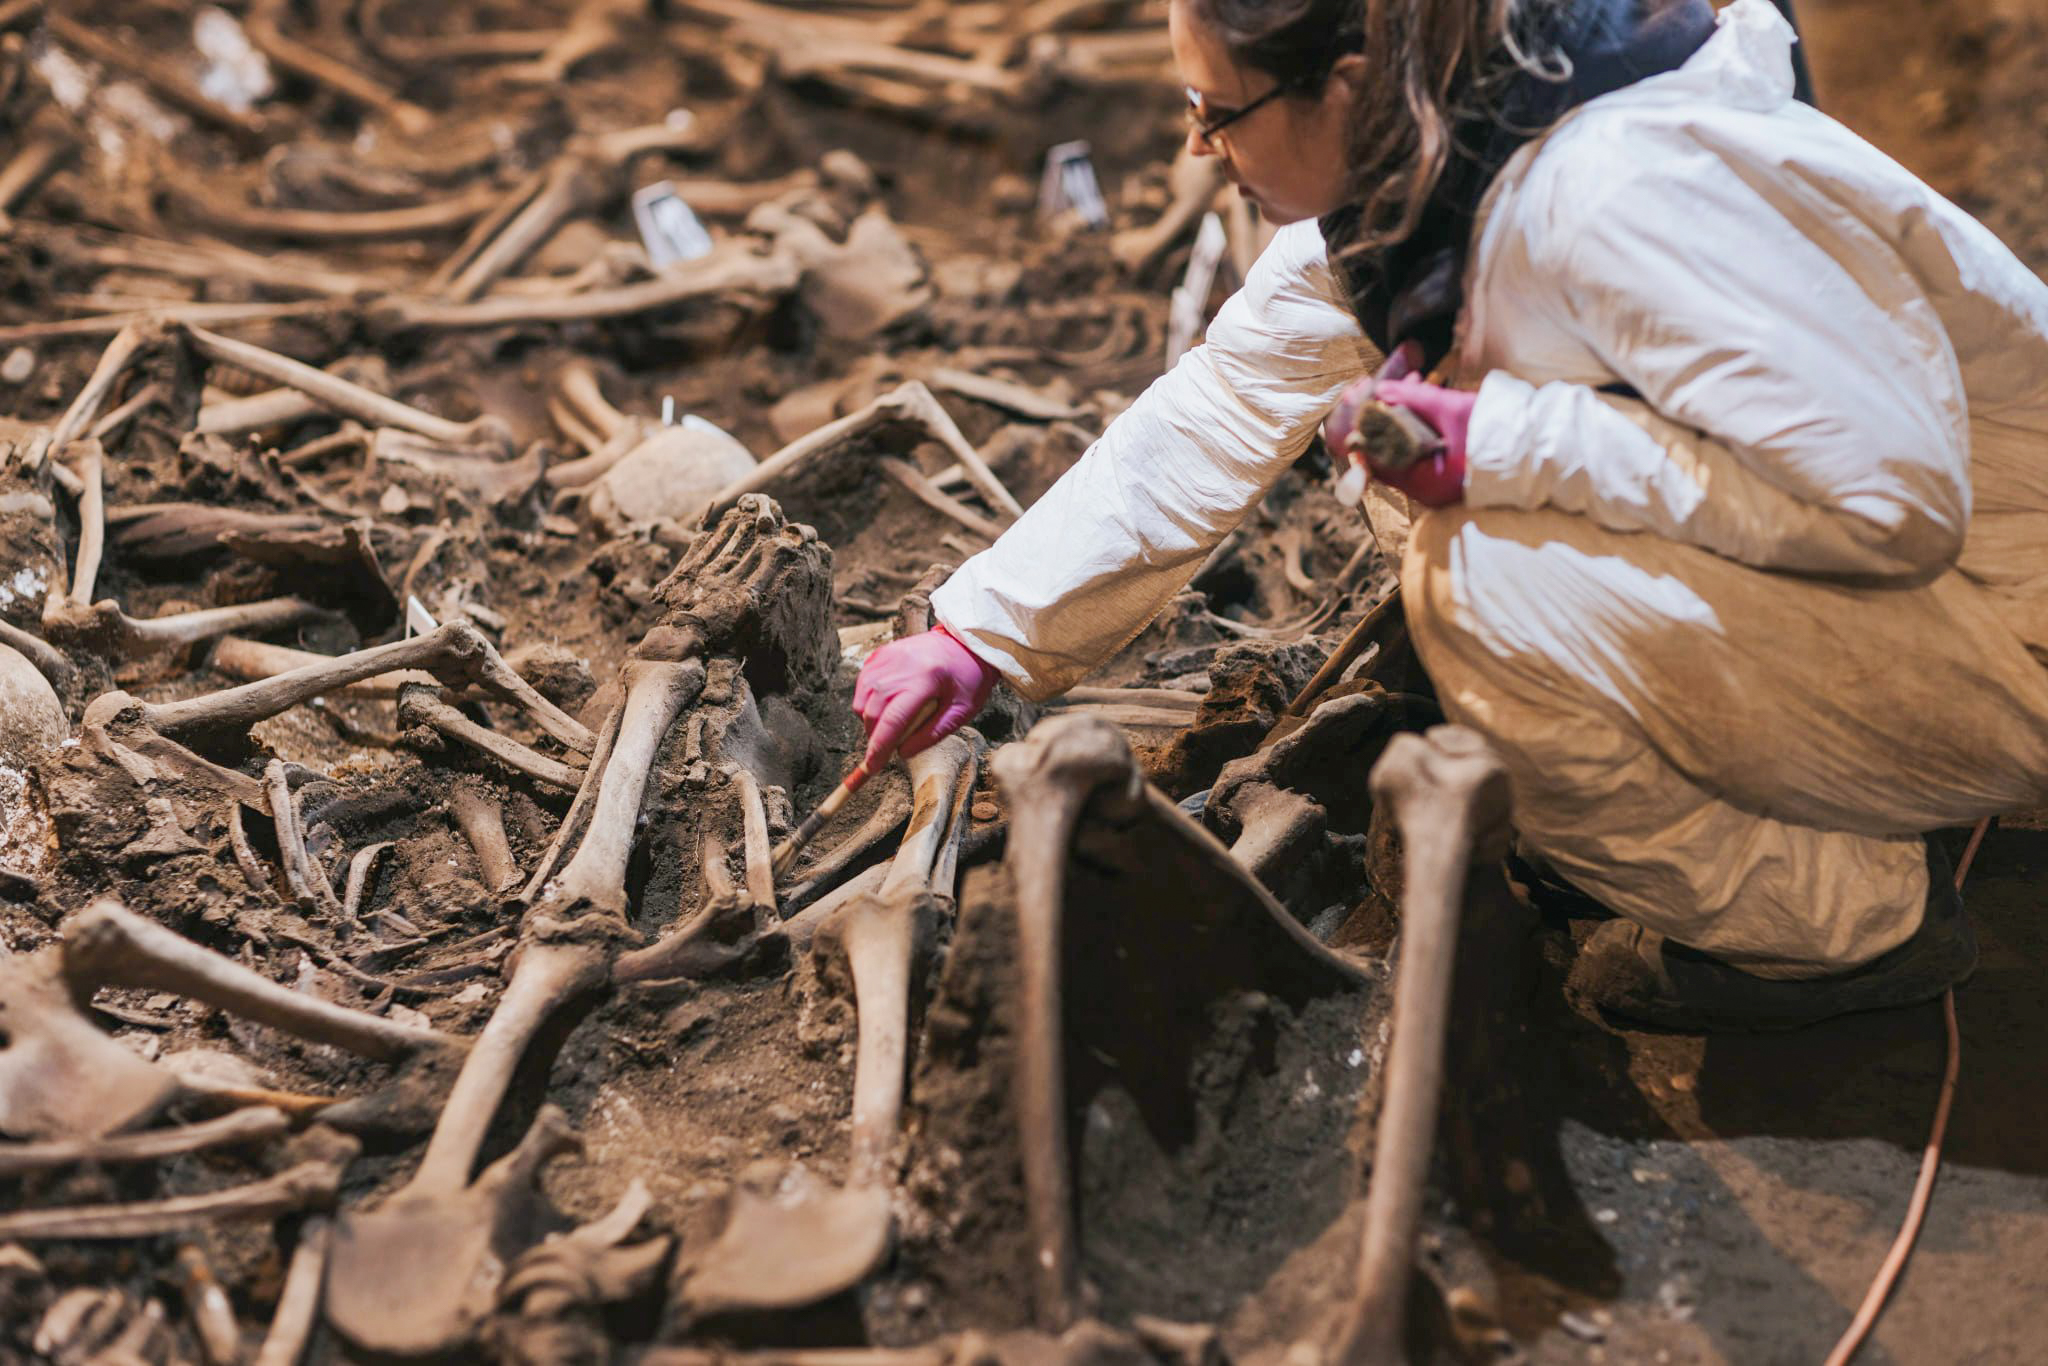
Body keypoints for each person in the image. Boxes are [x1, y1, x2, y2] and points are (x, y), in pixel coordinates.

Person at [851, 0, 2048, 1030]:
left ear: (1351, 82)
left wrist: (1506, 446)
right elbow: (1228, 396)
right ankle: (1732, 790)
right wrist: (979, 633)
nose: (1197, 142)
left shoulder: (1618, 185)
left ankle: (1834, 924)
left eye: (1217, 110)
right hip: (1922, 600)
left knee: (1478, 579)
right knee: (1424, 492)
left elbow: (1888, 500)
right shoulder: (1436, 159)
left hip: (2006, 626)